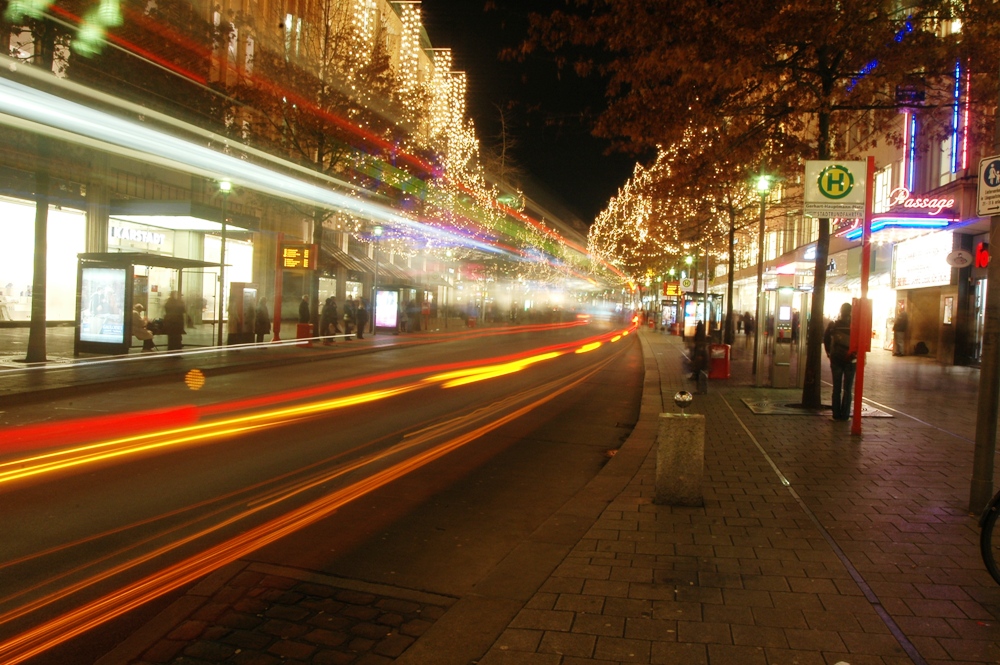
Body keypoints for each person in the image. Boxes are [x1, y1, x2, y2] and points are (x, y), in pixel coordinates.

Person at [824, 302, 857, 421]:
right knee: (848, 389)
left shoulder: (834, 325)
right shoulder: (855, 325)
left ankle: (836, 413)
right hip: (851, 360)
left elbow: (826, 338)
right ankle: (845, 414)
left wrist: (829, 353)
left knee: (836, 388)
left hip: (836, 359)